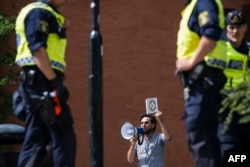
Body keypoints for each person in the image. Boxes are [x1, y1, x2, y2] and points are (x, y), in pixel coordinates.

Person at [14, 0, 76, 166]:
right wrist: (55, 82)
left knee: (36, 139)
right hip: (42, 83)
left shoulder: (47, 12)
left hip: (38, 83)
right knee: (63, 136)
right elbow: (38, 49)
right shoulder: (38, 13)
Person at [175, 0, 227, 166]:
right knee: (202, 139)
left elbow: (211, 34)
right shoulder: (192, 7)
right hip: (201, 83)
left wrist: (190, 63)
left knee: (202, 139)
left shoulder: (204, 3)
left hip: (204, 81)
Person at [218, 9, 250, 161]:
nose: (235, 31)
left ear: (245, 28)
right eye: (231, 27)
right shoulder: (220, 50)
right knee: (231, 154)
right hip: (227, 113)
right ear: (227, 29)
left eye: (238, 27)